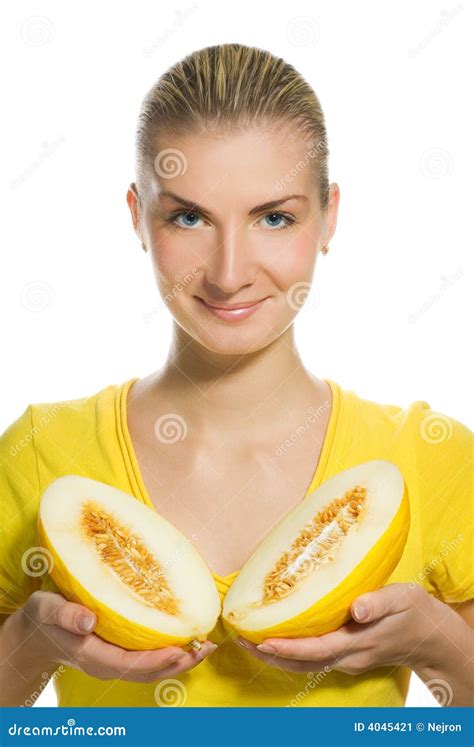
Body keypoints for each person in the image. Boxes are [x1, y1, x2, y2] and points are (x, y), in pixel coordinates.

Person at [1, 43, 472, 708]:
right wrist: (32, 641)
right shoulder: (38, 452)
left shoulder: (431, 455)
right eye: (188, 216)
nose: (228, 271)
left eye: (274, 217)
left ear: (329, 216)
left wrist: (434, 640)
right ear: (138, 215)